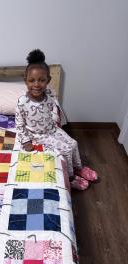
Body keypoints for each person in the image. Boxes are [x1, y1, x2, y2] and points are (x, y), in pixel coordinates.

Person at [15, 49, 98, 190]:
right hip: (38, 135)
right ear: (25, 81)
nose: (36, 84)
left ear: (48, 80)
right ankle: (71, 178)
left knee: (73, 143)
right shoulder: (22, 102)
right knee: (66, 149)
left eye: (42, 80)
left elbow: (53, 109)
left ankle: (80, 168)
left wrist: (55, 119)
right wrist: (26, 140)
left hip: (52, 129)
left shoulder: (49, 95)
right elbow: (19, 124)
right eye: (32, 80)